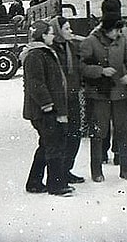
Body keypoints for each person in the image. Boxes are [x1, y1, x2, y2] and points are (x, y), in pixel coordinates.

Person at [80, 8, 127, 182]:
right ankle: (97, 171)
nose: (119, 33)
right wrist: (100, 71)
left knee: (124, 130)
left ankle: (126, 169)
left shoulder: (122, 40)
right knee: (99, 132)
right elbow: (81, 67)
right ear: (107, 29)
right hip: (99, 95)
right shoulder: (90, 41)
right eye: (117, 30)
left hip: (119, 94)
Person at [20, 20, 73, 196]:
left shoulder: (44, 52)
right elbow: (36, 83)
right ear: (42, 35)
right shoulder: (36, 55)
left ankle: (34, 182)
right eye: (50, 33)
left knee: (46, 144)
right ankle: (56, 185)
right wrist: (47, 105)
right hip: (42, 110)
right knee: (53, 144)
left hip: (45, 109)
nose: (52, 35)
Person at [97, 0, 127, 165]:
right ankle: (118, 153)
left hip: (102, 83)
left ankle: (102, 152)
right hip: (121, 82)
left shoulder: (96, 32)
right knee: (120, 119)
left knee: (103, 118)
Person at [49, 16, 85, 184]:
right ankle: (59, 172)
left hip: (73, 97)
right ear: (58, 31)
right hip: (59, 101)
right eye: (67, 29)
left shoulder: (71, 46)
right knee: (61, 137)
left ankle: (67, 169)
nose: (71, 32)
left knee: (75, 134)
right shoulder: (52, 50)